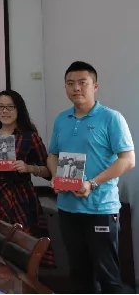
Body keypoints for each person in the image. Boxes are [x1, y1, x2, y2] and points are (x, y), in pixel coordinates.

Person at [47, 61, 134, 294]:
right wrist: (56, 176)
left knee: (108, 277)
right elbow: (52, 155)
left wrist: (92, 183)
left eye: (82, 83)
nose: (76, 88)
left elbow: (128, 160)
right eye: (70, 83)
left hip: (100, 209)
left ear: (95, 86)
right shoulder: (62, 119)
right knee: (79, 275)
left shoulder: (111, 118)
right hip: (68, 208)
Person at [0, 90, 55, 267]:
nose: (5, 111)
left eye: (10, 107)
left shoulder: (30, 137)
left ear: (19, 109)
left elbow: (48, 171)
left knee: (24, 251)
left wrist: (29, 168)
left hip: (22, 197)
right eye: (0, 107)